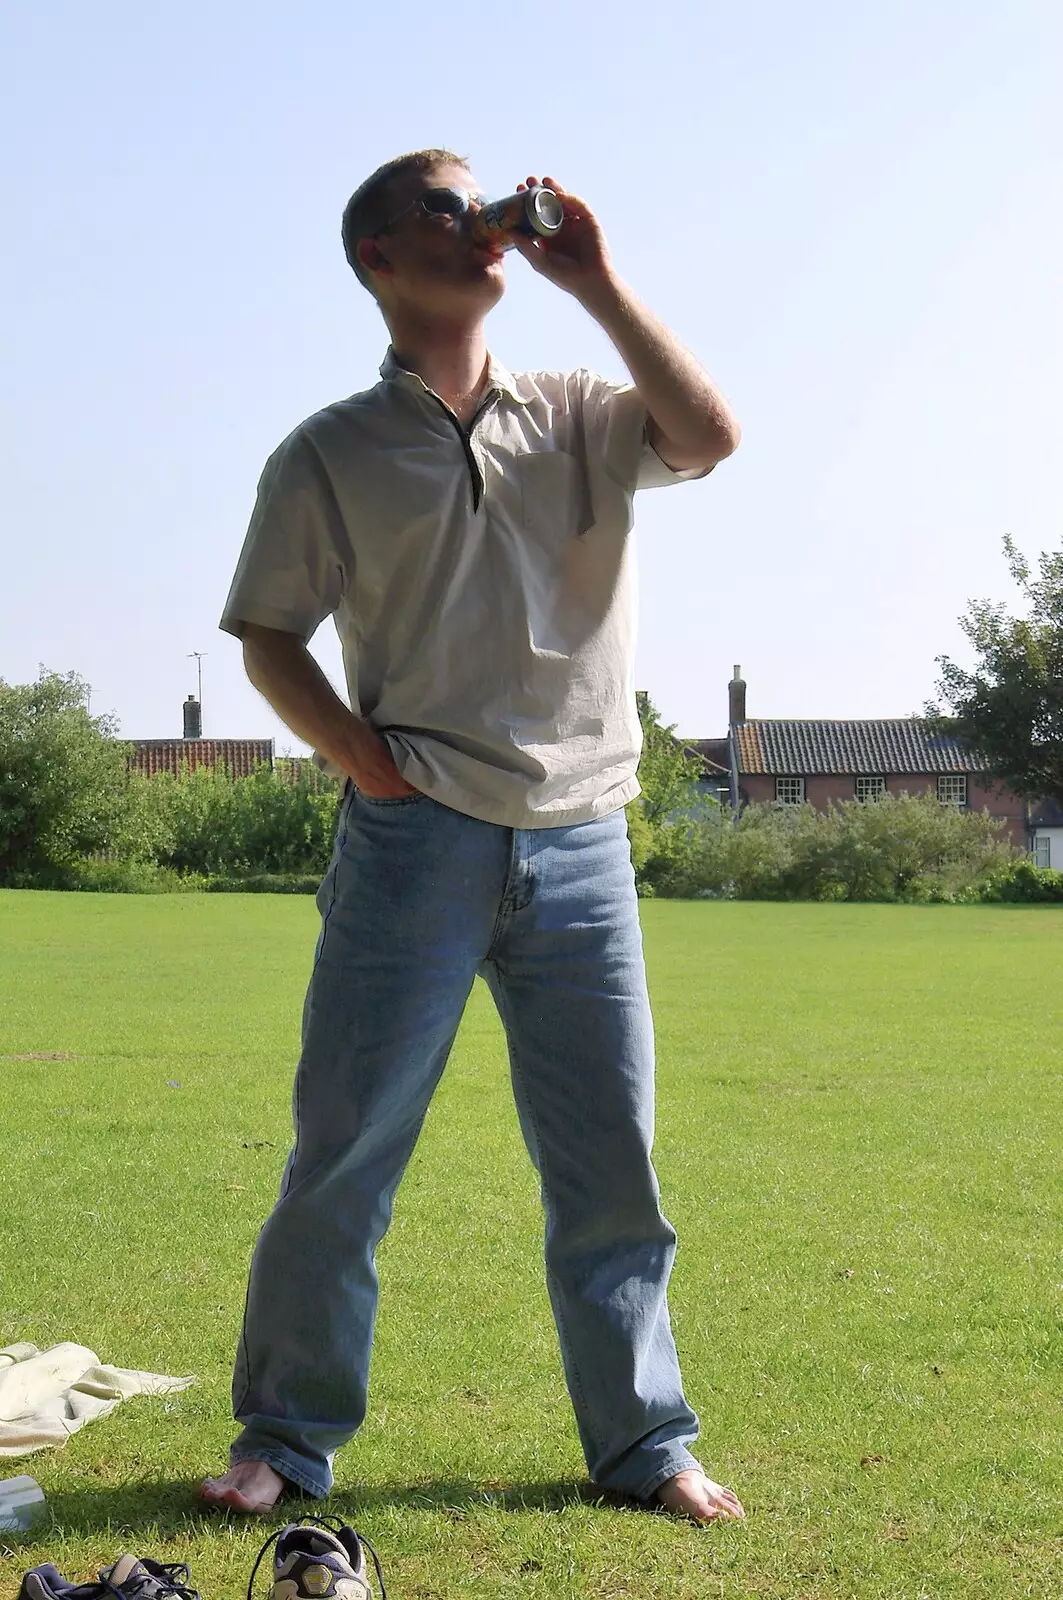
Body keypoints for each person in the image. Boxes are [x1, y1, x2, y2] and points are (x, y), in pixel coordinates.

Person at [201, 149, 744, 1525]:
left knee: (608, 1166)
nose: (477, 216)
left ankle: (643, 1446)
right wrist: (365, 765)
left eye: (477, 199)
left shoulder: (575, 410)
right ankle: (284, 1439)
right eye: (440, 205)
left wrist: (597, 279)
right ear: (379, 256)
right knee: (344, 1151)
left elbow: (710, 435)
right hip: (414, 842)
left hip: (584, 842)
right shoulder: (329, 449)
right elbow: (266, 636)